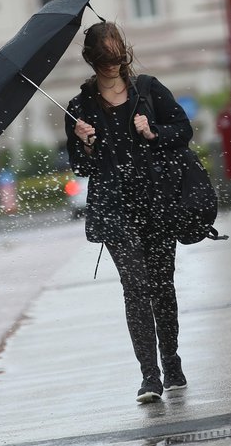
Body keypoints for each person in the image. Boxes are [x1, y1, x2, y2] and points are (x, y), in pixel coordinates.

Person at [64, 21, 193, 403]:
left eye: (118, 59)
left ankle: (171, 362)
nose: (113, 67)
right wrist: (83, 144)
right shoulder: (79, 107)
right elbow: (81, 169)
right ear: (91, 60)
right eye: (105, 61)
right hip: (113, 209)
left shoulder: (149, 90)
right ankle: (149, 375)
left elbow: (184, 130)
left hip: (156, 202)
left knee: (161, 286)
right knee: (135, 288)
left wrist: (153, 131)